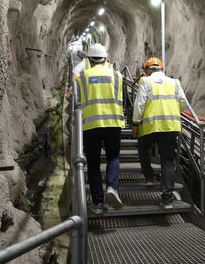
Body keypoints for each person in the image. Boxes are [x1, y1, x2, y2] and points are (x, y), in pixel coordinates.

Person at [131, 57, 189, 208]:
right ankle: (167, 198)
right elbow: (183, 102)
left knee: (143, 148)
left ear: (148, 70)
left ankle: (149, 177)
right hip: (170, 126)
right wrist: (173, 111)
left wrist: (136, 123)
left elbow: (139, 104)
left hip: (150, 127)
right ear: (161, 69)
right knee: (167, 160)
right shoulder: (174, 82)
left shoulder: (145, 82)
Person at [75, 43, 125, 214]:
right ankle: (112, 187)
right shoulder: (117, 75)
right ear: (105, 58)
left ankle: (97, 202)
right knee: (113, 157)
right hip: (113, 123)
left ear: (89, 58)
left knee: (94, 163)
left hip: (91, 125)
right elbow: (121, 99)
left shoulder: (82, 76)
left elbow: (78, 100)